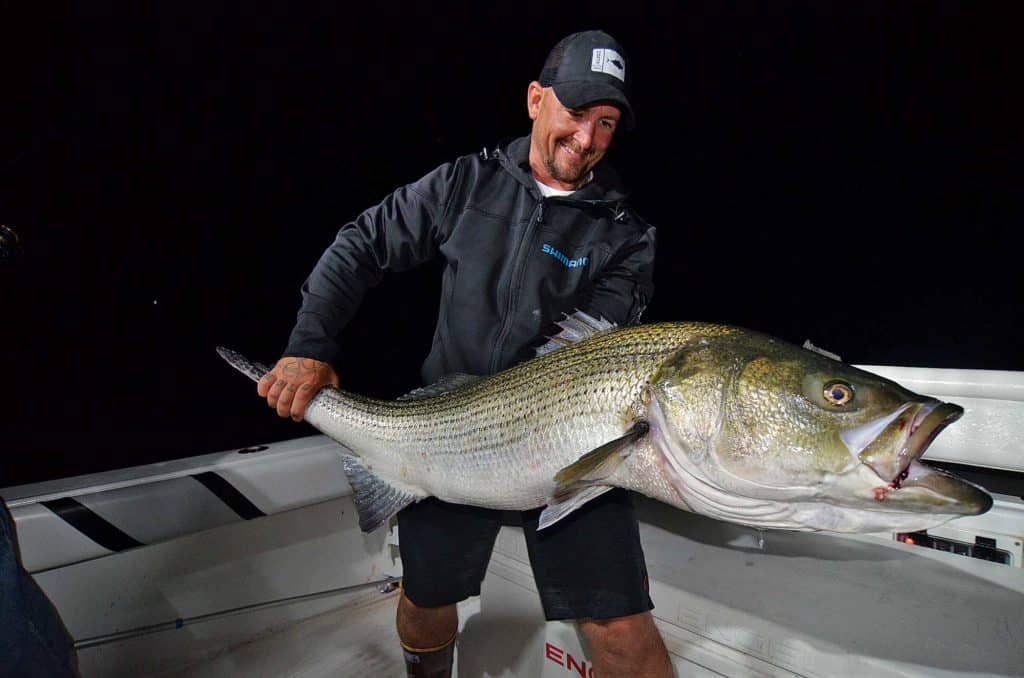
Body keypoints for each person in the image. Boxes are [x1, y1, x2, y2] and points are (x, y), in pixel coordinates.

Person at [259, 30, 671, 677]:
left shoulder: (626, 235)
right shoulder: (465, 184)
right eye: (575, 111)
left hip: (577, 447)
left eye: (606, 123)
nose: (586, 138)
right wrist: (309, 348)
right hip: (449, 431)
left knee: (620, 626)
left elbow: (599, 352)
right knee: (426, 599)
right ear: (536, 99)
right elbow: (360, 246)